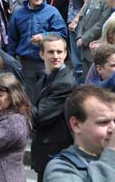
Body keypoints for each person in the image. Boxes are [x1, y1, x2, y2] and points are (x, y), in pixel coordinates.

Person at [8, 0, 67, 100]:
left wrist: (44, 36)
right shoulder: (18, 14)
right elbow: (12, 38)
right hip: (26, 62)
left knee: (47, 93)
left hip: (46, 61)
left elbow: (62, 33)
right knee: (28, 95)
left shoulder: (52, 12)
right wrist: (11, 59)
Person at [31, 35, 76, 182]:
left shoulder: (65, 83)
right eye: (50, 52)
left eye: (59, 52)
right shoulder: (42, 81)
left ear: (65, 54)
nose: (55, 56)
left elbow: (39, 116)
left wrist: (18, 102)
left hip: (57, 154)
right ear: (42, 54)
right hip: (45, 153)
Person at [76, 0, 114, 78]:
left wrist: (85, 38)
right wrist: (79, 35)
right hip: (84, 46)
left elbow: (102, 22)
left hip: (95, 46)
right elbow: (84, 16)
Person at [66, 0, 92, 79]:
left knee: (78, 59)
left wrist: (76, 20)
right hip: (72, 20)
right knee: (75, 57)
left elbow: (87, 2)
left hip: (77, 22)